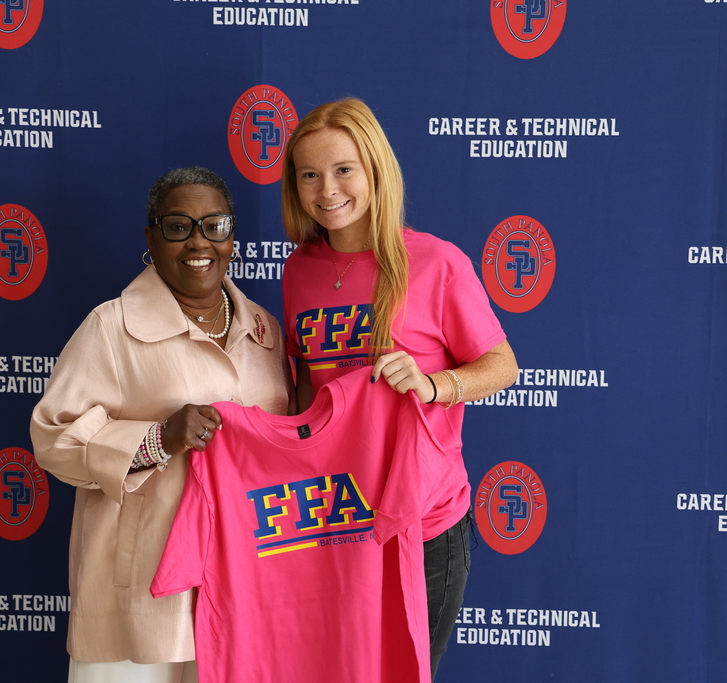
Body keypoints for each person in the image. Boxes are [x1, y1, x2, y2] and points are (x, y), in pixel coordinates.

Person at [280, 98, 519, 679]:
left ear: (375, 171)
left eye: (343, 170)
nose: (326, 189)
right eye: (309, 174)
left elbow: (502, 365)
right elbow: (305, 395)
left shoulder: (435, 262)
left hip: (424, 521)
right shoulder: (298, 270)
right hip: (333, 520)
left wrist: (434, 384)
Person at [31, 167, 292, 683]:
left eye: (214, 225)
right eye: (178, 226)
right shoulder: (111, 327)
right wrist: (158, 439)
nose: (199, 241)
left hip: (245, 584)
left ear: (232, 237)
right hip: (140, 589)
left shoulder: (265, 330)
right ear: (151, 237)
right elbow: (53, 438)